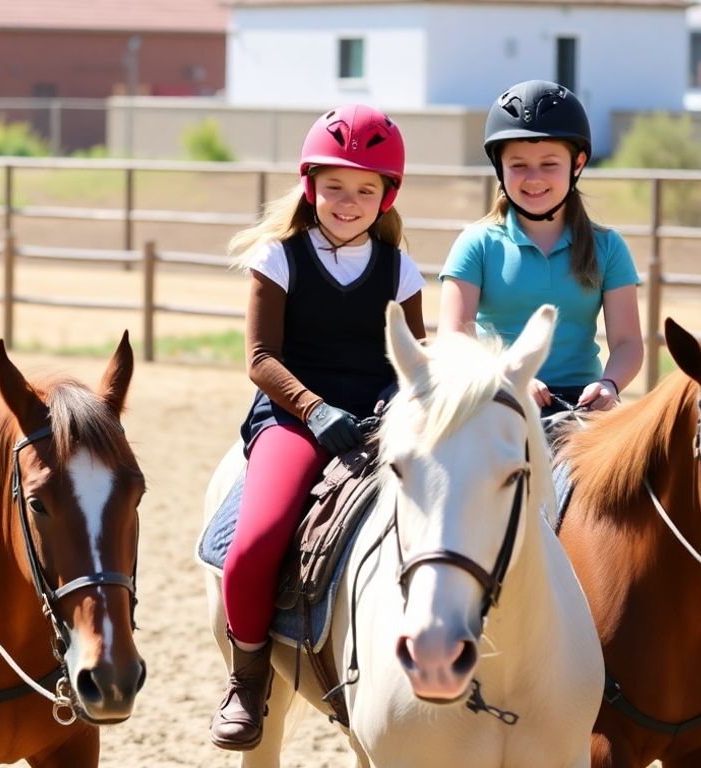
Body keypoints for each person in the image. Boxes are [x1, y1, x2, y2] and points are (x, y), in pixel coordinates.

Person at [210, 104, 426, 751]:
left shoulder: (401, 270)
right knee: (256, 541)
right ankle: (247, 679)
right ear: (310, 187)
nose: (348, 201)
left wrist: (391, 405)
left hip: (380, 420)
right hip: (294, 418)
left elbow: (409, 359)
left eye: (365, 189)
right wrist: (315, 409)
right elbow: (259, 359)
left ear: (387, 195)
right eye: (335, 186)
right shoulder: (279, 258)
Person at [439, 80, 642, 417]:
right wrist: (505, 372)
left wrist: (610, 383)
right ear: (500, 169)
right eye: (518, 165)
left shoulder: (609, 247)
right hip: (497, 397)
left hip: (580, 407)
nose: (533, 178)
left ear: (577, 165)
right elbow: (453, 336)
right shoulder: (476, 244)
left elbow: (627, 344)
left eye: (549, 164)